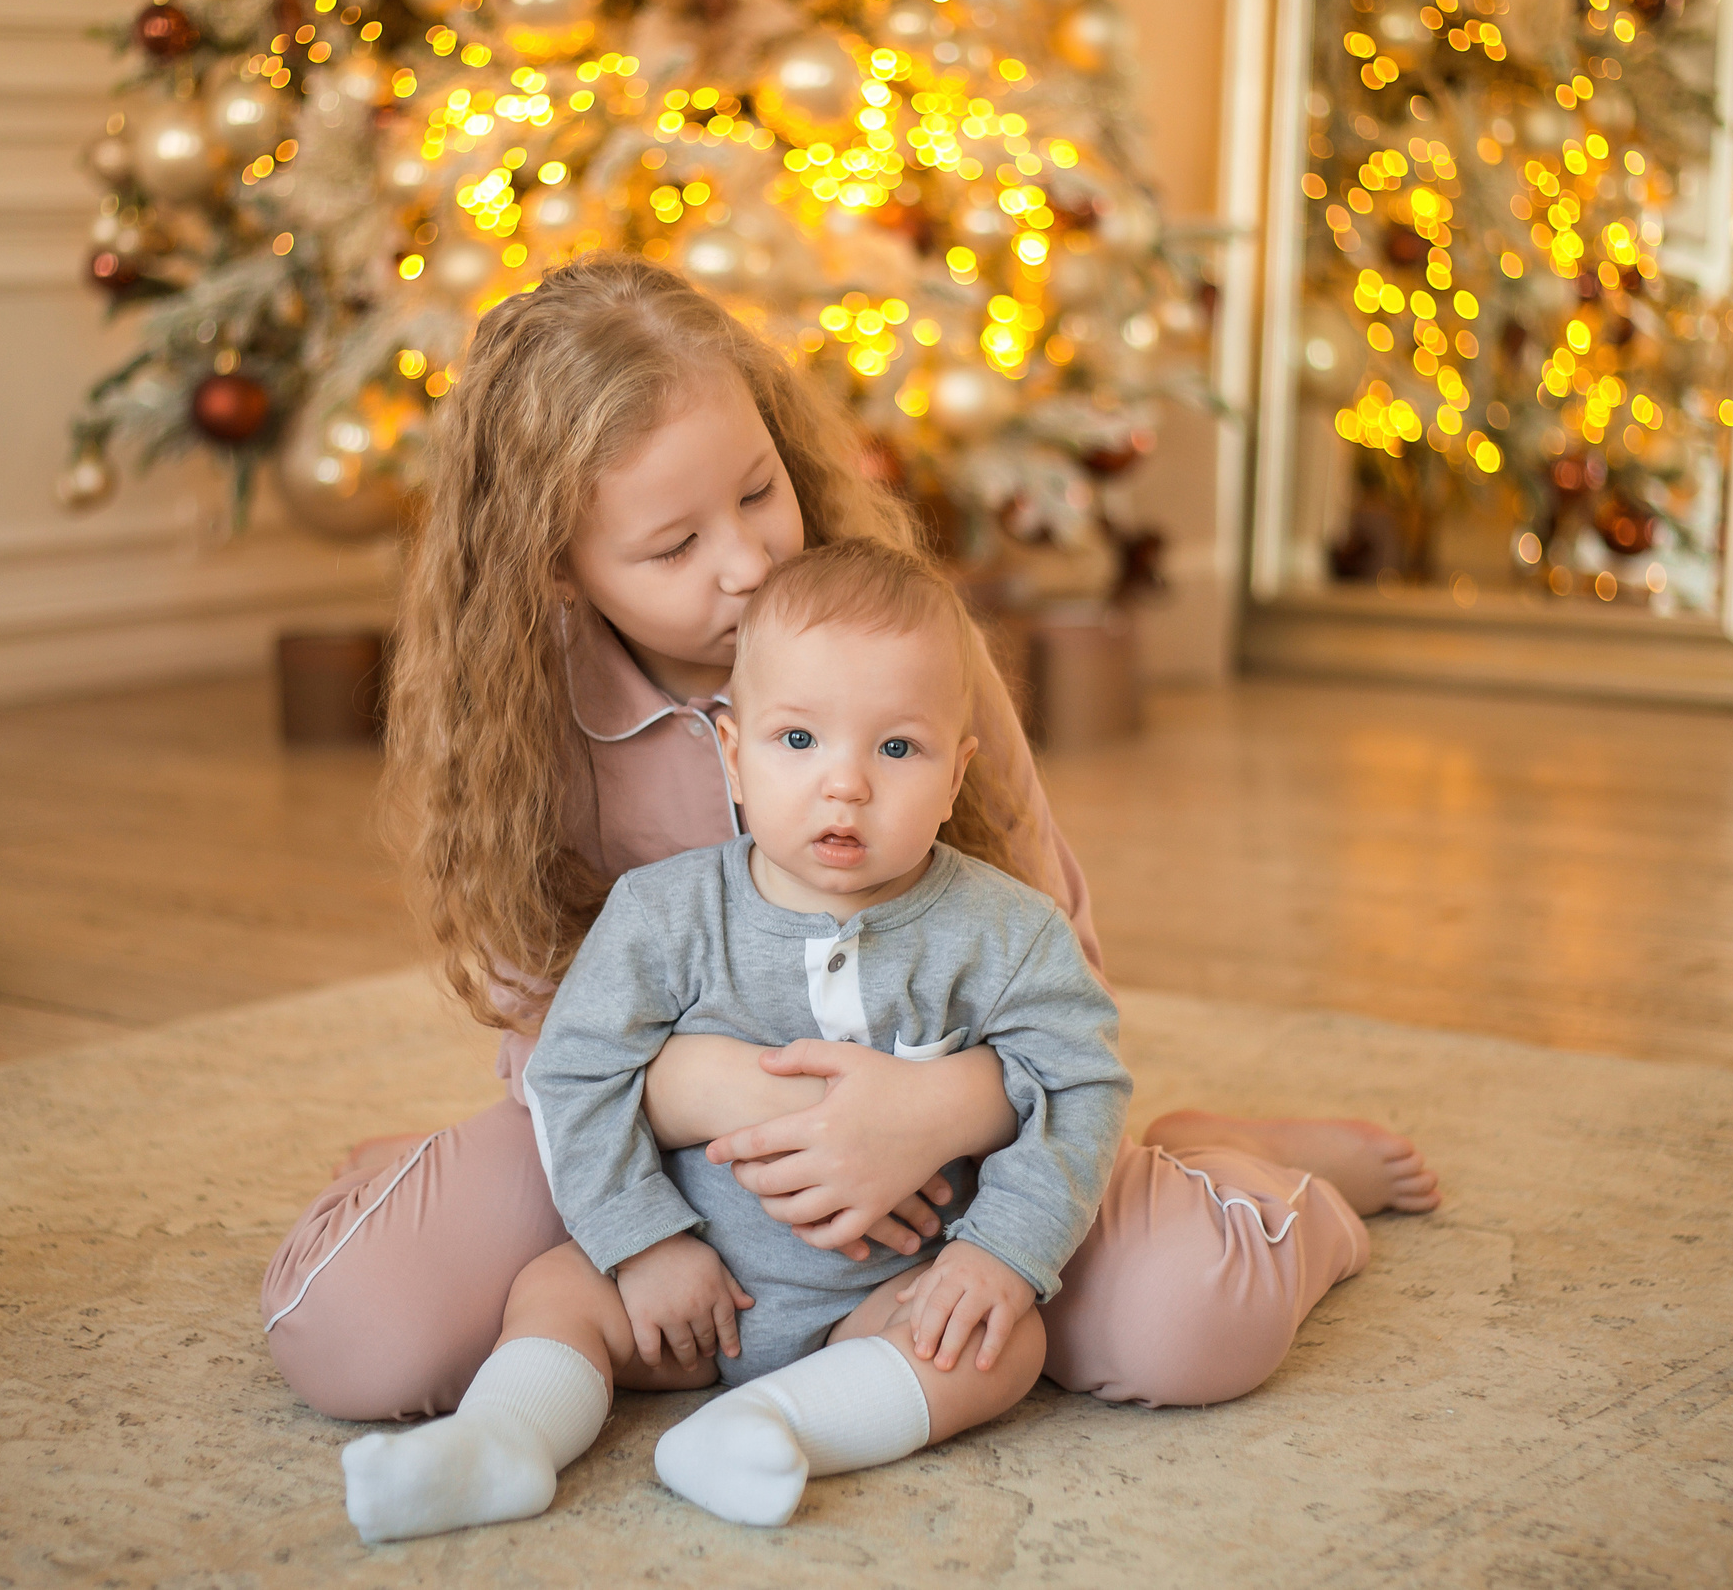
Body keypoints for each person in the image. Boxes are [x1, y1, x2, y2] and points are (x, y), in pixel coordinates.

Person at [259, 253, 1438, 1428]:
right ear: (556, 571)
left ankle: (1235, 1171)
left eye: (759, 492)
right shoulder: (518, 721)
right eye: (672, 548)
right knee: (358, 1338)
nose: (747, 560)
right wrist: (713, 1091)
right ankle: (410, 1183)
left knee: (1192, 1323)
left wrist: (940, 1111)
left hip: (958, 1153)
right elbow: (548, 1044)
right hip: (639, 1145)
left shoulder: (908, 658)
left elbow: (1055, 970)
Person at [341, 541, 1130, 1541]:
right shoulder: (665, 914)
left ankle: (777, 1425)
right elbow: (576, 1069)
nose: (844, 786)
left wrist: (1000, 1258)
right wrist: (643, 1246)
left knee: (997, 1345)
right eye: (798, 741)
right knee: (554, 1288)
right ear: (732, 752)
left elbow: (1081, 1083)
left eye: (896, 750)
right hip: (689, 1286)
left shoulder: (1005, 931)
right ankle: (504, 1442)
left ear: (955, 771)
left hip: (886, 1293)